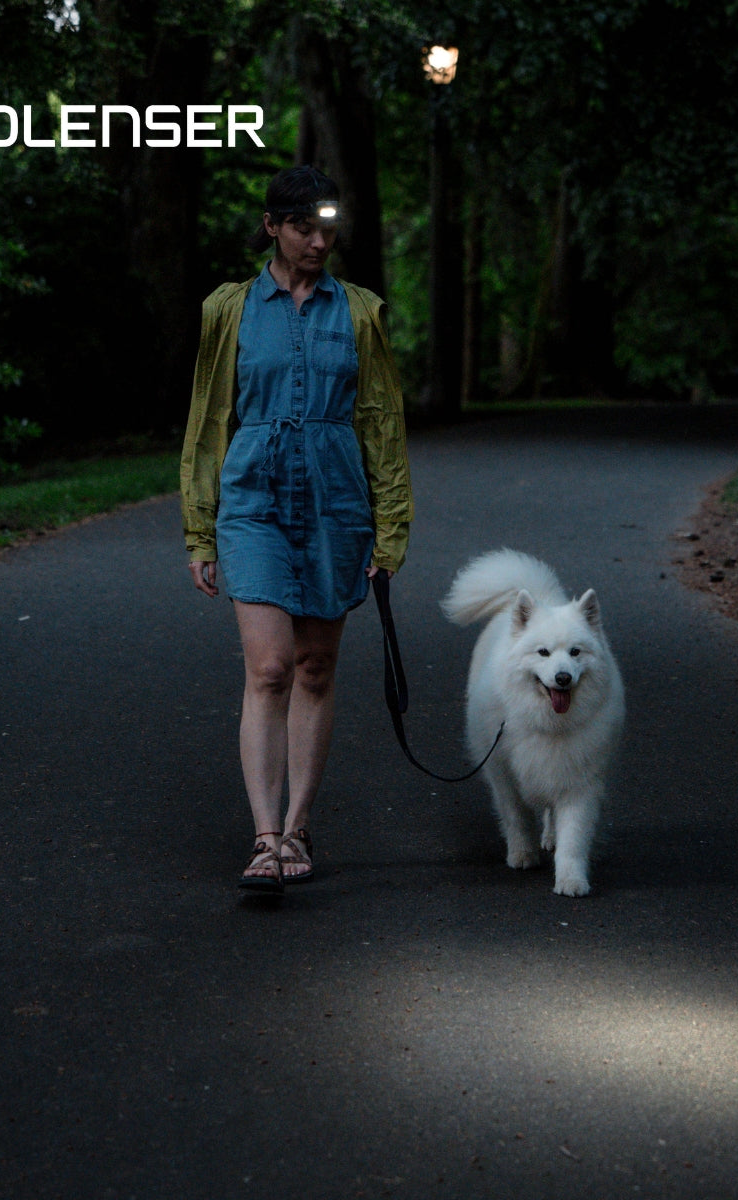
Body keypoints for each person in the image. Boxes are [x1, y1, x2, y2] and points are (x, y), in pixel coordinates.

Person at [181, 165, 413, 894]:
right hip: (252, 497)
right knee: (270, 666)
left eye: (327, 227)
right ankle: (261, 833)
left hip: (335, 499)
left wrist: (391, 529)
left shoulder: (361, 312)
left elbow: (380, 423)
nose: (319, 241)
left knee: (315, 666)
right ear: (272, 227)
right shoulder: (230, 308)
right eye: (303, 227)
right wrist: (199, 527)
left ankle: (296, 829)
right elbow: (209, 419)